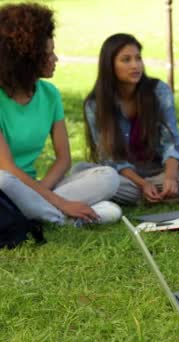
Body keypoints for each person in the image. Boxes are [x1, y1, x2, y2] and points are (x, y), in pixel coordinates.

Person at [0, 3, 120, 226]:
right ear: (25, 60)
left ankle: (39, 214)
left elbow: (64, 158)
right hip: (6, 189)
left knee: (108, 176)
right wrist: (61, 203)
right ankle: (62, 219)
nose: (56, 59)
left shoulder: (50, 95)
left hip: (36, 188)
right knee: (2, 180)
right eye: (48, 54)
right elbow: (8, 168)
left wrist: (43, 193)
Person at [83, 33, 179, 205]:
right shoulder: (95, 105)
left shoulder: (158, 91)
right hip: (124, 177)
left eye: (138, 58)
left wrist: (171, 177)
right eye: (126, 60)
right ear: (110, 65)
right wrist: (142, 184)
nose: (135, 65)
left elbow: (171, 142)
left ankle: (150, 195)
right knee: (83, 172)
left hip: (158, 170)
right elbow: (110, 159)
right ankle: (171, 197)